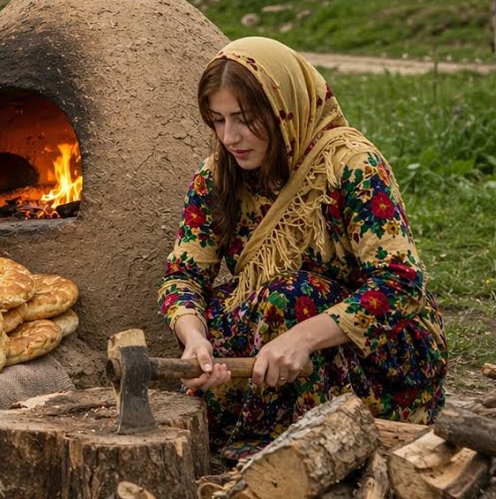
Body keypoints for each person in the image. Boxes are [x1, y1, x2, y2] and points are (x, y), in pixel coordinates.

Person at [158, 36, 447, 460]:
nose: (231, 137)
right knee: (222, 318)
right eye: (218, 121)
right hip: (281, 332)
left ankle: (275, 438)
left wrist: (303, 338)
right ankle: (260, 425)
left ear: (282, 110)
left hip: (379, 351)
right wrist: (194, 338)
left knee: (290, 296)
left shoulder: (351, 166)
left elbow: (400, 285)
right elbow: (184, 276)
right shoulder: (218, 176)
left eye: (244, 118)